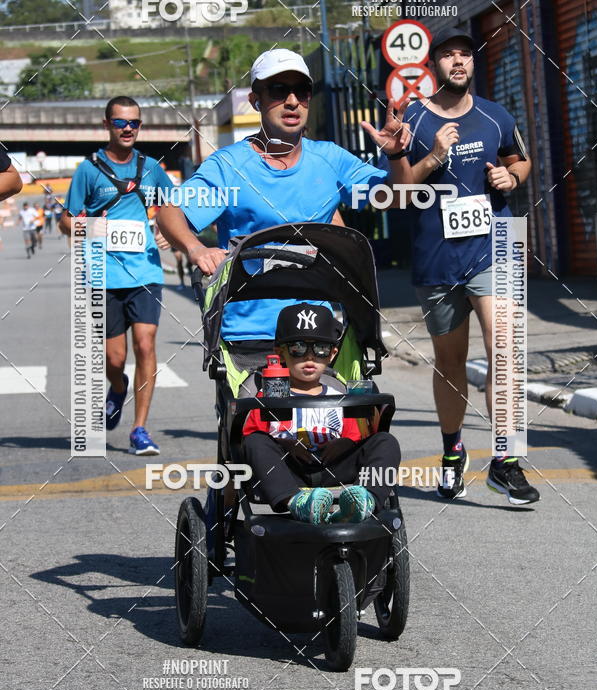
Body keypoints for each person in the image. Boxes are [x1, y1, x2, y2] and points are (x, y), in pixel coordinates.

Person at [157, 48, 412, 344]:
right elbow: (170, 212)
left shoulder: (329, 158)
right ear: (256, 101)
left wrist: (396, 155)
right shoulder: (229, 167)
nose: (292, 101)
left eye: (301, 91)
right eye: (278, 90)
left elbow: (399, 197)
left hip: (316, 331)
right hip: (248, 335)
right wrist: (196, 249)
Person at [403, 27, 539, 505]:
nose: (458, 62)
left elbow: (521, 162)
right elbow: (397, 187)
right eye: (447, 55)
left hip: (496, 243)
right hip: (436, 253)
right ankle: (452, 451)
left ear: (472, 64)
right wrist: (435, 155)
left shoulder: (495, 115)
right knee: (450, 362)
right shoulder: (413, 118)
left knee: (505, 345)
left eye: (464, 55)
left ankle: (506, 461)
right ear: (433, 65)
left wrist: (511, 175)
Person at [59, 96, 173, 455]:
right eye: (121, 122)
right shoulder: (89, 169)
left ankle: (140, 429)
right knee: (114, 360)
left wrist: (169, 232)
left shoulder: (151, 167)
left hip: (145, 272)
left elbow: (175, 206)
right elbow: (66, 219)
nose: (128, 129)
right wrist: (87, 227)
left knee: (146, 345)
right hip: (102, 275)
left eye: (134, 123)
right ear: (107, 125)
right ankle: (119, 386)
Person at [243, 304, 401, 523]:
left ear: (332, 354)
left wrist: (343, 444)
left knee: (386, 442)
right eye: (297, 348)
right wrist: (284, 445)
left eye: (320, 349)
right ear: (280, 352)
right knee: (255, 443)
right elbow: (247, 442)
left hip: (335, 465)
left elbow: (355, 436)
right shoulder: (268, 393)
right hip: (289, 469)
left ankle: (365, 501)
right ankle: (296, 503)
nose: (310, 358)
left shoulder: (341, 393)